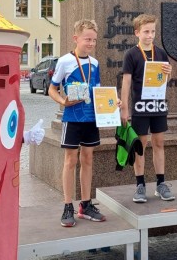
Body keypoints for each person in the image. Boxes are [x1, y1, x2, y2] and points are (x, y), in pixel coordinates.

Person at [48, 19, 105, 227]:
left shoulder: (95, 63)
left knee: (88, 159)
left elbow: (98, 90)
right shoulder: (64, 62)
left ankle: (86, 204)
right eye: (87, 39)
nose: (91, 43)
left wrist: (110, 102)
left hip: (91, 117)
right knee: (71, 160)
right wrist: (63, 101)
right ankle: (67, 206)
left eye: (94, 40)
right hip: (72, 118)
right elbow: (52, 89)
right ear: (76, 38)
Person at [120, 13, 174, 203]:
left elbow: (164, 80)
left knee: (159, 143)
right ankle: (140, 184)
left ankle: (160, 183)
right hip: (140, 107)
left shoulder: (160, 53)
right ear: (137, 33)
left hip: (158, 105)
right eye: (146, 32)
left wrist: (169, 73)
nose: (150, 35)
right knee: (140, 146)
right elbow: (126, 83)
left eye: (152, 31)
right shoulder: (131, 54)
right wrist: (124, 108)